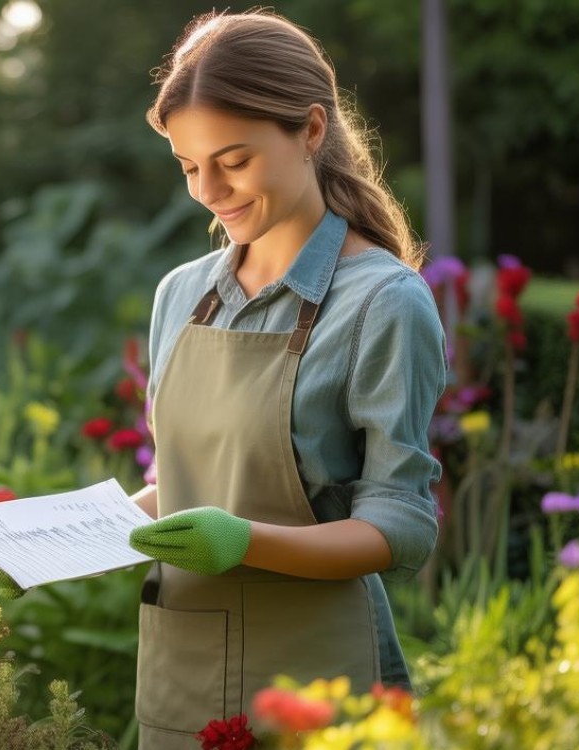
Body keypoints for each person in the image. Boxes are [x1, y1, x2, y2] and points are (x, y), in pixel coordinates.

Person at [122, 10, 446, 748]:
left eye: (233, 161)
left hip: (318, 677)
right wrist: (65, 534)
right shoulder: (181, 293)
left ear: (310, 130)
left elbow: (401, 525)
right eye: (188, 166)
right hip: (184, 670)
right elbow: (186, 480)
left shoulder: (382, 302)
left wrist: (243, 542)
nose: (208, 190)